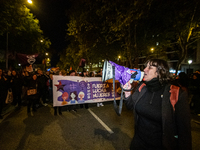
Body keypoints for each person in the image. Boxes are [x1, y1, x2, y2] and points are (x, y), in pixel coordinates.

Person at [123, 59, 191, 150]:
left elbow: (184, 132)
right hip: (138, 144)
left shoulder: (177, 93)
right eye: (145, 67)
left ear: (159, 72)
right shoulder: (142, 87)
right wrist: (127, 92)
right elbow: (130, 106)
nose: (145, 70)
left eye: (150, 67)